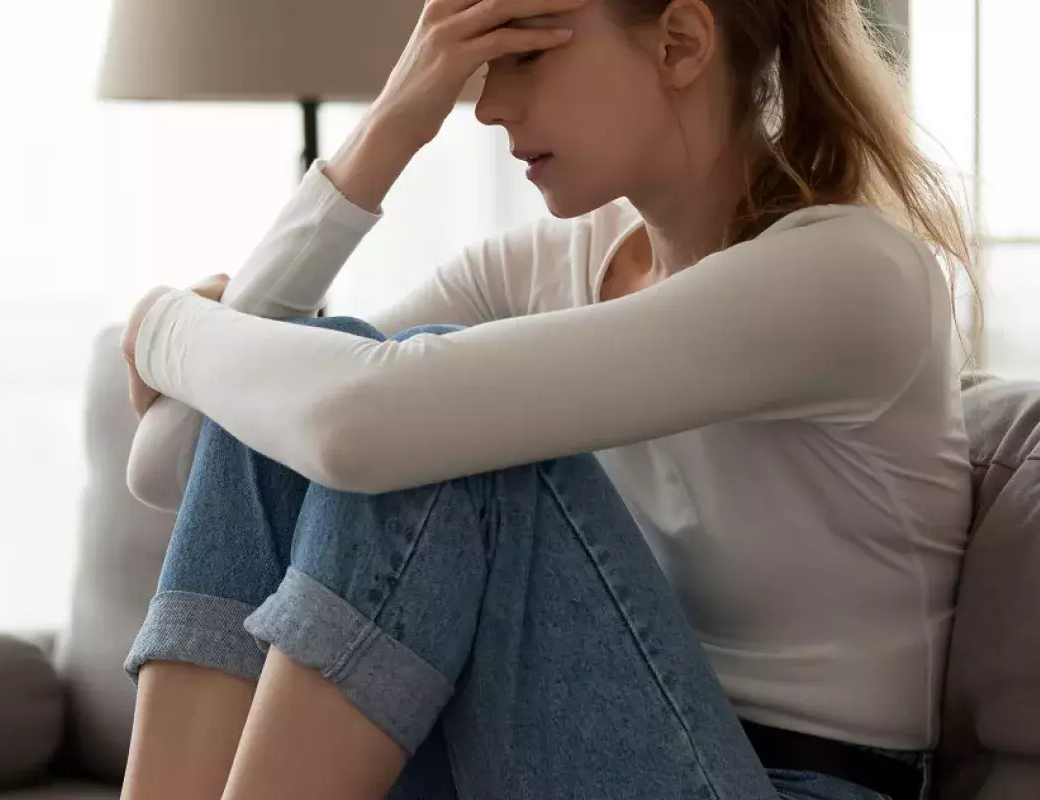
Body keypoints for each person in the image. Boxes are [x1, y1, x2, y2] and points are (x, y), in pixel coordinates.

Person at [115, 0, 973, 797]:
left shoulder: (851, 276)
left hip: (786, 784)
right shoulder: (535, 269)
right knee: (319, 395)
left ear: (679, 43)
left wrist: (166, 324)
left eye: (521, 57)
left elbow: (362, 423)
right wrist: (384, 130)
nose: (486, 108)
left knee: (435, 439)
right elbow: (175, 460)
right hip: (525, 744)